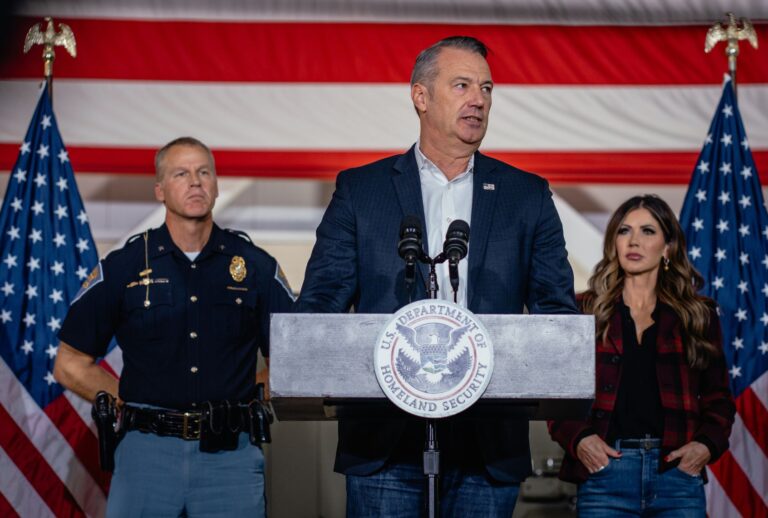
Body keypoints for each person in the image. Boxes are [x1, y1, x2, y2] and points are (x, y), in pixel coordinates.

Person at [295, 36, 577, 517]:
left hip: (487, 444)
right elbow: (319, 307)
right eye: (463, 85)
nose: (479, 100)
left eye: (487, 88)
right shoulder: (361, 191)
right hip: (386, 443)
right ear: (420, 97)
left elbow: (557, 314)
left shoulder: (526, 195)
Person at [53, 136, 295, 517]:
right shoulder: (124, 266)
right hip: (145, 454)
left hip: (230, 454)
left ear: (215, 185)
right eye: (181, 173)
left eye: (204, 172)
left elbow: (295, 358)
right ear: (160, 191)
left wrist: (252, 395)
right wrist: (128, 400)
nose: (195, 182)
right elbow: (69, 362)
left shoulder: (255, 266)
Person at [548, 195, 736, 517]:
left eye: (648, 231)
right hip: (605, 475)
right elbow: (554, 394)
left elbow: (719, 400)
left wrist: (705, 445)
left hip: (676, 476)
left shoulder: (698, 315)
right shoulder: (584, 309)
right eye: (624, 231)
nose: (634, 241)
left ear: (668, 247)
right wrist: (579, 440)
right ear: (614, 242)